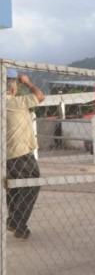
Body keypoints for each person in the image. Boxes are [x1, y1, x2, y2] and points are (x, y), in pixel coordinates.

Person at [6, 69, 45, 239]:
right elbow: (40, 96)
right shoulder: (15, 103)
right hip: (21, 153)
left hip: (7, 155)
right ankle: (17, 221)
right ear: (12, 88)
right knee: (33, 182)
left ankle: (16, 223)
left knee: (15, 187)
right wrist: (27, 82)